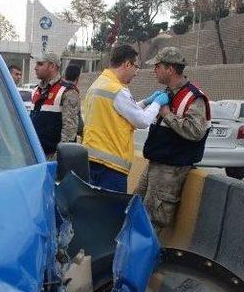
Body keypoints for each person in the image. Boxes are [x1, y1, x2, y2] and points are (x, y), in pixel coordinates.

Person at [135, 47, 211, 233]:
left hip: (171, 169)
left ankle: (145, 260)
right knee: (135, 208)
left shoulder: (193, 97)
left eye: (158, 66)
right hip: (155, 163)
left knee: (152, 221)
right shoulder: (168, 93)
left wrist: (167, 114)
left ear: (170, 69)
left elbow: (195, 131)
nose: (154, 70)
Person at [82, 44, 169, 192]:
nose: (136, 73)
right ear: (127, 64)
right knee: (113, 213)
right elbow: (142, 121)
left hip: (91, 161)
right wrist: (156, 103)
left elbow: (120, 111)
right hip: (110, 168)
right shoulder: (117, 90)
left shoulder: (98, 84)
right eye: (136, 67)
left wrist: (145, 102)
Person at [30, 53, 80, 158]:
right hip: (34, 157)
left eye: (40, 64)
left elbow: (69, 131)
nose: (35, 68)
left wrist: (58, 159)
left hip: (52, 158)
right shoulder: (36, 91)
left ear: (52, 66)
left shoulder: (67, 91)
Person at [63, 64, 84, 139]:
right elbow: (75, 116)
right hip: (67, 138)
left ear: (65, 76)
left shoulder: (59, 89)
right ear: (78, 78)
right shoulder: (72, 91)